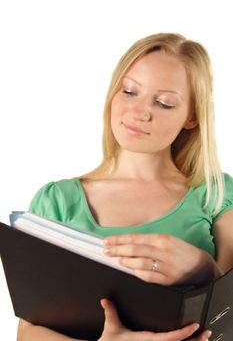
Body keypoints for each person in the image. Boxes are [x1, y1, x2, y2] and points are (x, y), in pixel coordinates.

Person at [17, 32, 233, 341]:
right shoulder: (57, 200)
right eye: (129, 91)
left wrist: (204, 268)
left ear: (193, 117)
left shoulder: (217, 194)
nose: (139, 111)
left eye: (163, 103)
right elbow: (27, 332)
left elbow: (228, 316)